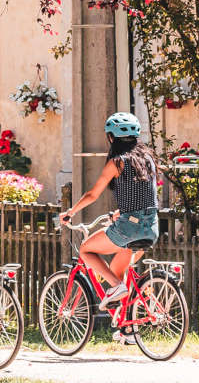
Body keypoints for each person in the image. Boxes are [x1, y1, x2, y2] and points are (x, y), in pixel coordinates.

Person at [57, 112, 161, 306]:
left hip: (129, 229)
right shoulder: (148, 159)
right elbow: (146, 195)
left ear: (111, 137)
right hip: (152, 228)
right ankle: (128, 330)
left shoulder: (118, 161)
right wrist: (120, 213)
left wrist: (70, 213)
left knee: (85, 250)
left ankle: (116, 286)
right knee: (117, 271)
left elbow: (92, 195)